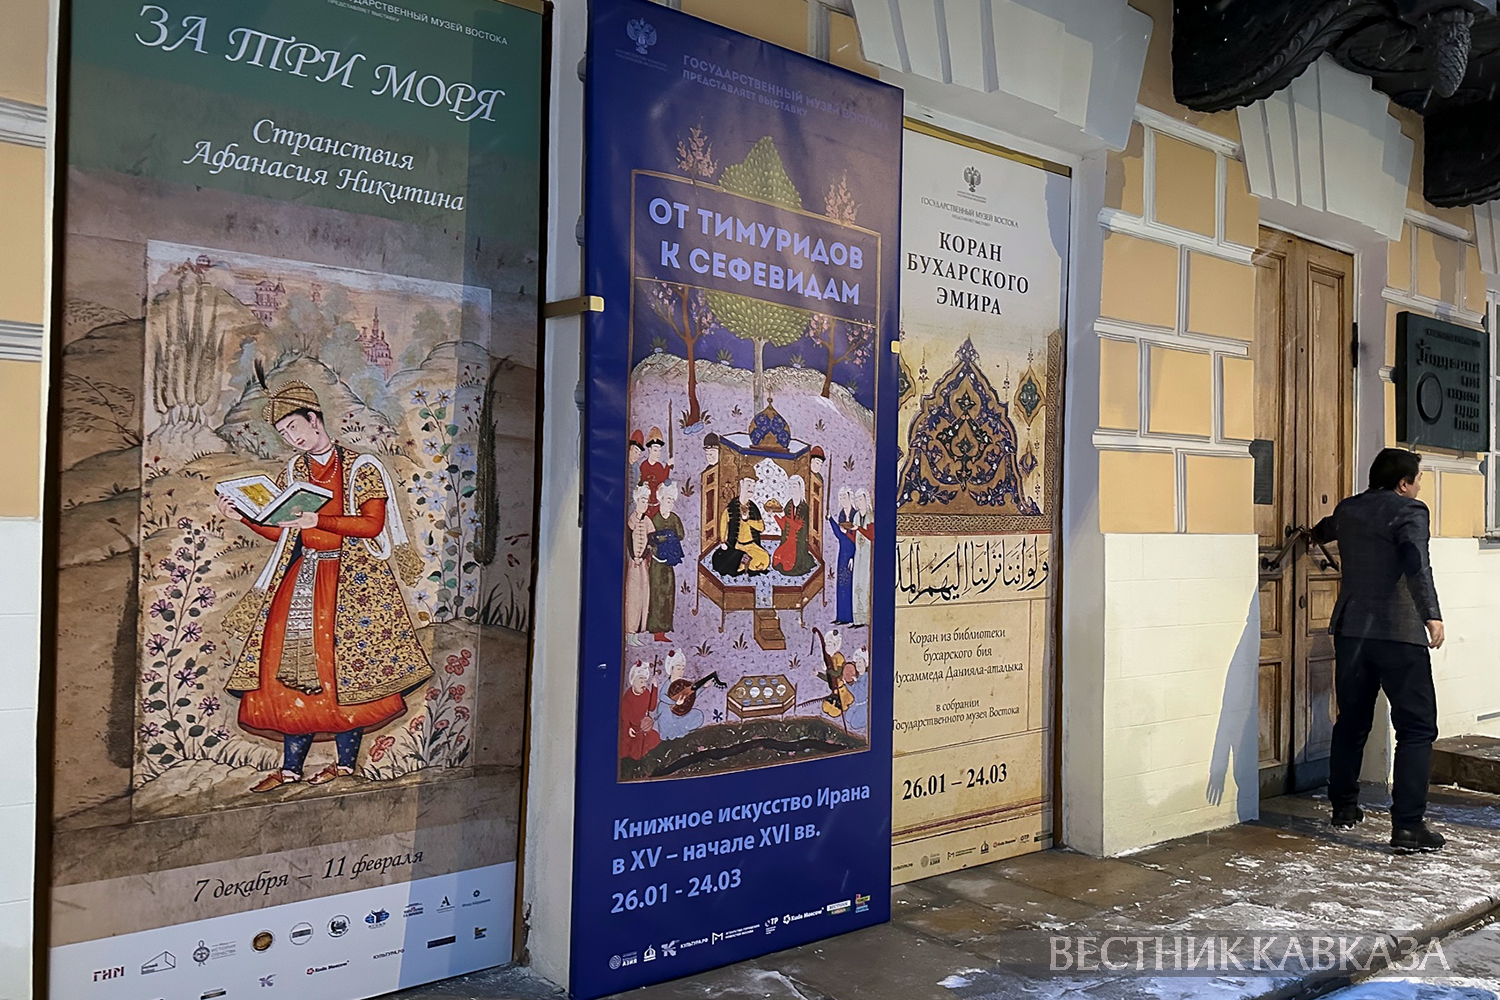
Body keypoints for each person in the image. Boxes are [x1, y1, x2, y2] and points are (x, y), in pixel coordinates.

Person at [218, 380, 432, 792]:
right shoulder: (294, 472)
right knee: (283, 671)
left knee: (344, 672)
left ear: (314, 419)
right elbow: (284, 531)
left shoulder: (361, 467)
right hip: (303, 576)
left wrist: (320, 521)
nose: (291, 438)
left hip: (352, 582)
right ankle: (290, 769)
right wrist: (242, 516)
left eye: (294, 428)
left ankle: (345, 766)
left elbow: (371, 525)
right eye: (283, 434)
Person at [1310, 447, 1445, 852]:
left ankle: (1343, 807)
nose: (1419, 487)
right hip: (1398, 633)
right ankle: (1408, 827)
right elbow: (1416, 562)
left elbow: (1322, 530)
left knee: (1351, 721)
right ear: (1403, 483)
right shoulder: (1410, 510)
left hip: (1352, 630)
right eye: (1417, 480)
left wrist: (1309, 536)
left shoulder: (1350, 509)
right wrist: (1431, 614)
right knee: (1417, 728)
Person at [647, 482, 685, 641]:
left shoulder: (674, 518)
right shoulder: (655, 518)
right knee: (657, 595)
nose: (670, 503)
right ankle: (656, 631)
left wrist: (667, 537)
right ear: (661, 499)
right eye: (668, 499)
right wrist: (666, 536)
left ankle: (665, 629)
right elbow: (651, 537)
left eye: (672, 500)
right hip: (657, 563)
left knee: (669, 593)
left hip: (669, 562)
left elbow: (681, 534)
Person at [713, 479, 769, 575]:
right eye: (749, 485)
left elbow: (761, 528)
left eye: (753, 486)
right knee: (722, 562)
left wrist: (747, 520)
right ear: (741, 483)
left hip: (751, 546)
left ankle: (743, 564)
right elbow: (723, 523)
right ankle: (745, 564)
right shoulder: (731, 507)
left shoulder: (753, 508)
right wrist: (723, 541)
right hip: (736, 545)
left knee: (764, 559)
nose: (751, 488)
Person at [624, 485, 652, 645]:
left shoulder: (647, 521)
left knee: (643, 595)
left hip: (642, 563)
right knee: (633, 596)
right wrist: (634, 557)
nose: (645, 504)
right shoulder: (632, 519)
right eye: (642, 500)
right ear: (636, 501)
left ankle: (636, 634)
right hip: (633, 564)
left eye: (646, 501)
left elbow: (650, 541)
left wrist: (642, 557)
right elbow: (628, 539)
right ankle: (629, 632)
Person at [619, 660, 661, 761]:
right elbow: (624, 717)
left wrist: (654, 688)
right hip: (630, 728)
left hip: (642, 727)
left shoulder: (646, 693)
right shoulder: (628, 697)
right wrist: (628, 728)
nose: (644, 684)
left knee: (654, 738)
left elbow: (651, 707)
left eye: (645, 681)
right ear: (633, 682)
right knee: (628, 748)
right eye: (641, 681)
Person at [829, 488, 856, 624]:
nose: (842, 500)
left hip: (852, 552)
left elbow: (857, 537)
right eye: (841, 498)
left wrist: (853, 556)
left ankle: (850, 617)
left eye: (844, 497)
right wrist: (831, 520)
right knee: (841, 583)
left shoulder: (855, 515)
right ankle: (841, 617)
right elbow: (840, 535)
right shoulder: (841, 515)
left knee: (850, 585)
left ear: (850, 498)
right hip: (842, 552)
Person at [851, 488, 875, 627]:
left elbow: (871, 536)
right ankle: (857, 619)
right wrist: (847, 532)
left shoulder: (870, 517)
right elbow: (854, 538)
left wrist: (858, 529)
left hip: (867, 555)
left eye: (861, 499)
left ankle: (866, 618)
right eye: (857, 499)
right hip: (858, 554)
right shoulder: (856, 517)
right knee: (857, 585)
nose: (858, 502)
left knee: (865, 585)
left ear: (866, 500)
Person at [639, 427, 672, 517]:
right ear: (649, 450)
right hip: (645, 505)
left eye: (659, 451)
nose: (658, 454)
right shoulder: (643, 466)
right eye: (655, 450)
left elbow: (663, 480)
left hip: (657, 504)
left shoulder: (659, 466)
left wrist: (668, 466)